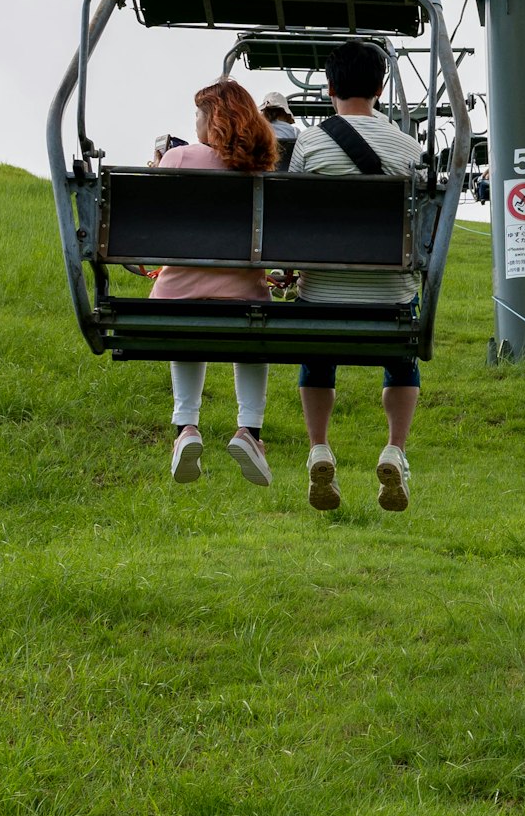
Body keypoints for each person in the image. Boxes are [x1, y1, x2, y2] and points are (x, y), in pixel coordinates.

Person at [282, 37, 427, 511]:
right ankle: (395, 448)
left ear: (329, 88)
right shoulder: (407, 147)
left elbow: (296, 218)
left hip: (323, 296)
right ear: (381, 88)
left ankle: (319, 447)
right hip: (391, 298)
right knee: (402, 360)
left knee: (316, 357)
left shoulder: (309, 143)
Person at [151, 80, 285, 486]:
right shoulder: (262, 171)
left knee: (187, 322)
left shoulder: (177, 158)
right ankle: (250, 430)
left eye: (198, 114)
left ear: (214, 119)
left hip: (176, 301)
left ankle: (186, 428)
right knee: (252, 329)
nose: (195, 121)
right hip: (245, 300)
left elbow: (151, 235)